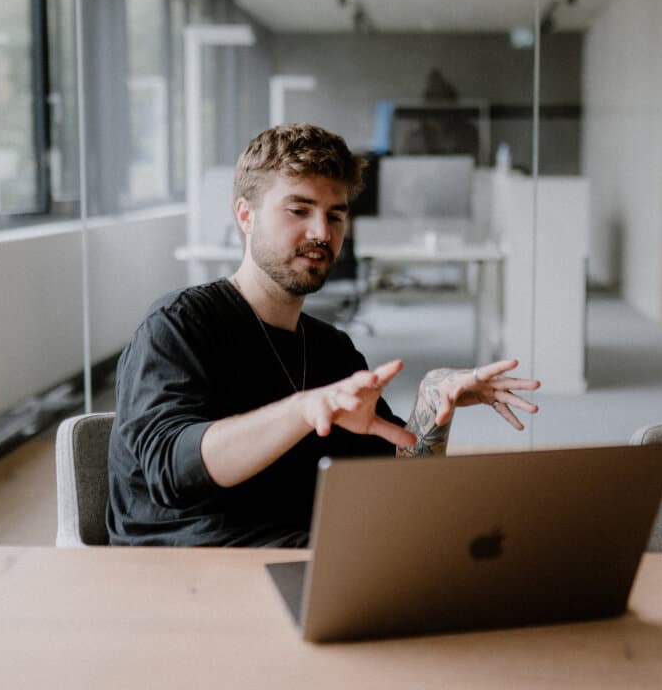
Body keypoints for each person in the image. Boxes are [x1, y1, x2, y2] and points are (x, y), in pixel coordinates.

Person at [107, 123, 539, 547]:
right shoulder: (179, 326)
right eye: (299, 210)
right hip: (192, 574)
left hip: (307, 560)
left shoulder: (332, 351)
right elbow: (170, 471)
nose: (322, 232)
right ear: (246, 216)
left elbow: (399, 491)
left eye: (335, 215)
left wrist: (431, 405)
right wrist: (303, 409)